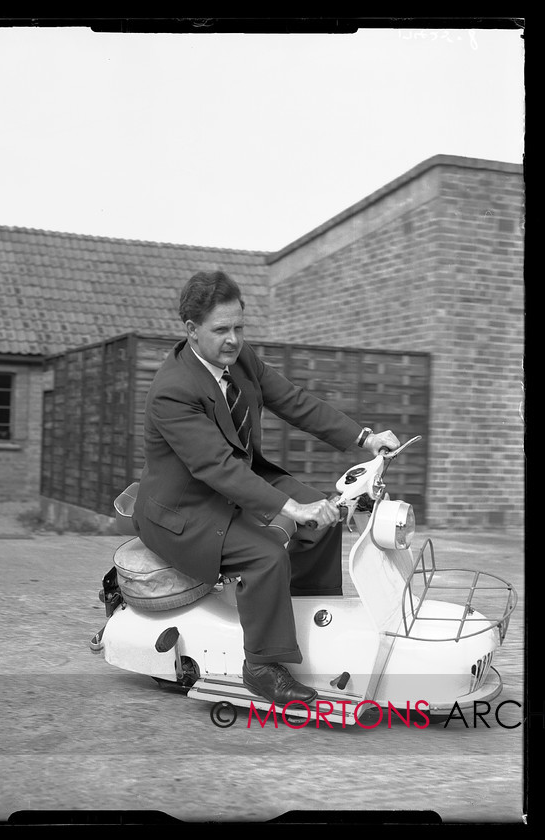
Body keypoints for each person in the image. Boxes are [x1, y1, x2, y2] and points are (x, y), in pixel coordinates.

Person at [132, 270, 400, 705]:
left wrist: (364, 438)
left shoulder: (238, 359)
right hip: (186, 511)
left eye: (240, 327)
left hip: (239, 482)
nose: (234, 339)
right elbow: (216, 468)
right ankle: (261, 665)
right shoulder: (172, 391)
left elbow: (294, 401)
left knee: (326, 518)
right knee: (265, 554)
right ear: (191, 330)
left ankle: (309, 625)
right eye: (222, 330)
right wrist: (290, 509)